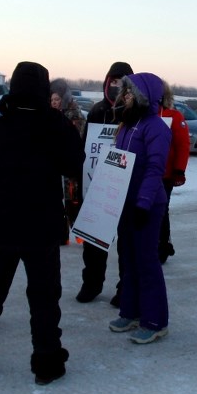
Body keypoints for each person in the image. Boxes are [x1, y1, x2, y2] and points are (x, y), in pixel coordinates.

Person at [0, 61, 84, 384]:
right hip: (41, 228)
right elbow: (74, 163)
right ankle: (47, 361)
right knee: (44, 296)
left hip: (0, 225)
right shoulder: (53, 123)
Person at [107, 73, 172, 344]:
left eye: (130, 93)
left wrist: (143, 202)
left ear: (143, 97)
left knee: (146, 261)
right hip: (124, 202)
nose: (124, 98)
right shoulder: (125, 125)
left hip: (146, 205)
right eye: (124, 93)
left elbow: (155, 168)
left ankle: (155, 320)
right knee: (128, 258)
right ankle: (131, 311)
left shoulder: (155, 127)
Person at [75, 61, 131, 304]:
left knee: (126, 244)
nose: (117, 86)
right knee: (93, 240)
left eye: (122, 82)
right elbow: (86, 148)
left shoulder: (134, 111)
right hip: (97, 183)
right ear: (108, 82)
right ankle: (92, 283)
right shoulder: (97, 111)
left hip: (125, 183)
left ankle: (124, 288)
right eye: (114, 81)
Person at [157, 81, 190, 263]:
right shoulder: (142, 116)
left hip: (166, 175)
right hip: (144, 173)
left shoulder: (174, 116)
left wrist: (179, 170)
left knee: (161, 210)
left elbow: (182, 145)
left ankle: (163, 245)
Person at [50, 78, 86, 242]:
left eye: (57, 100)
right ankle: (62, 234)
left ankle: (79, 233)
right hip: (55, 167)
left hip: (71, 169)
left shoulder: (75, 115)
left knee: (73, 201)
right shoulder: (51, 116)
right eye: (51, 100)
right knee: (57, 203)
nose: (54, 103)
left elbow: (77, 141)